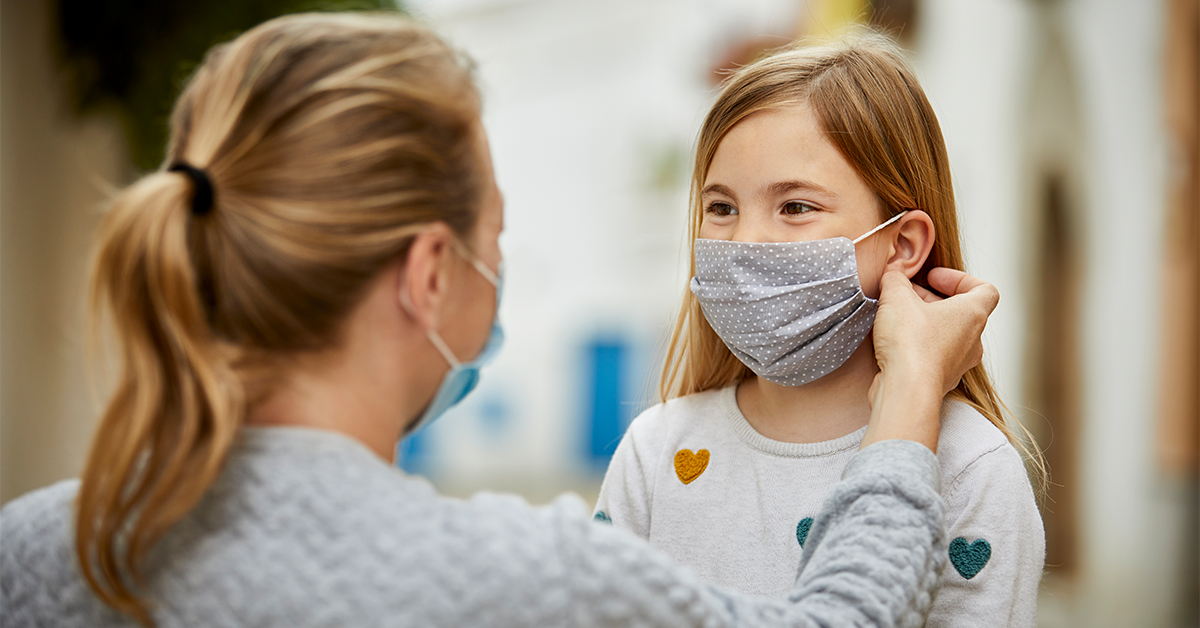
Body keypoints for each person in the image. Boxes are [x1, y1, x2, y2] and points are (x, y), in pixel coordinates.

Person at [1, 14, 997, 627]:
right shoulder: (522, 581)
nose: (501, 269)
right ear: (431, 273)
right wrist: (909, 390)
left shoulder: (38, 551)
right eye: (495, 234)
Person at [593, 32, 1045, 626]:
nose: (746, 241)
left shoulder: (969, 467)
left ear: (902, 245)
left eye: (796, 207)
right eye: (722, 207)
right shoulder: (656, 450)